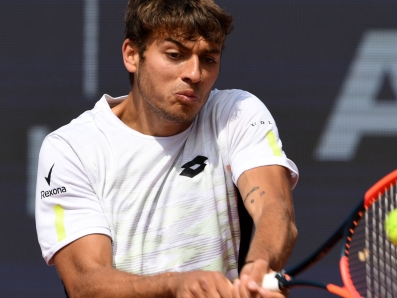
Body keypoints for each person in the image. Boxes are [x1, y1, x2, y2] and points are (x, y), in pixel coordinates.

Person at [35, 0, 298, 297]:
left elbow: (275, 209)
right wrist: (175, 285)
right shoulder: (70, 148)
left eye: (209, 59)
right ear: (133, 55)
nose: (195, 74)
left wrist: (258, 268)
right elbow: (86, 283)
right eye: (175, 55)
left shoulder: (237, 113)